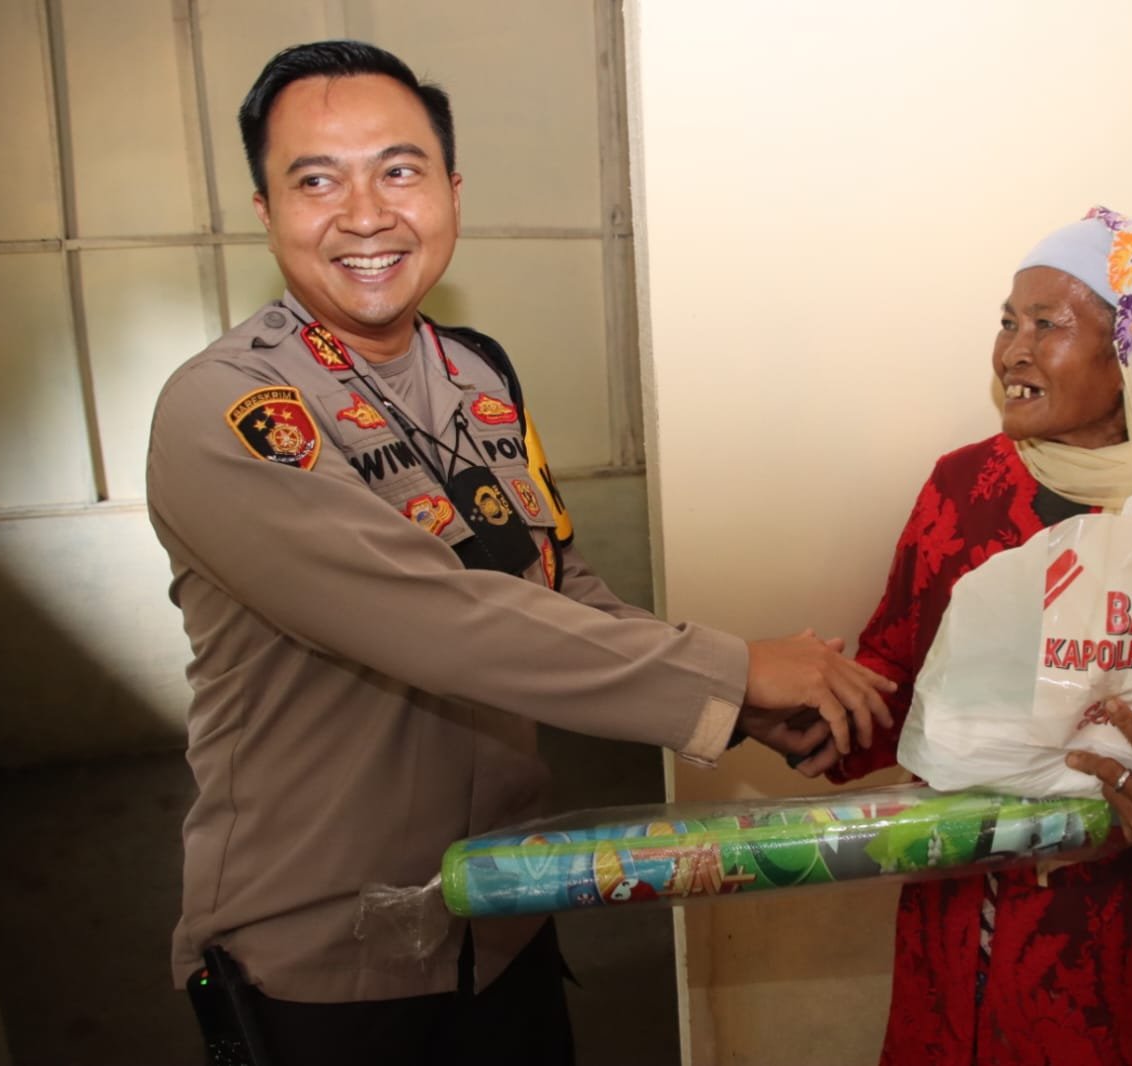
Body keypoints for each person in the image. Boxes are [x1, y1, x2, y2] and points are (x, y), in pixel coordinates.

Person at [146, 40, 893, 1065]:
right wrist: (729, 669)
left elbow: (554, 584)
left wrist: (733, 709)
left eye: (398, 170)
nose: (364, 214)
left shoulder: (476, 375)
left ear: (450, 192)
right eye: (316, 181)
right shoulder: (223, 409)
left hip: (502, 914)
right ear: (265, 211)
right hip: (321, 958)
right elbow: (432, 617)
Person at [820, 207, 1132, 1065]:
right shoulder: (964, 488)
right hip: (955, 928)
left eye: (1047, 325)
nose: (1013, 352)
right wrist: (810, 707)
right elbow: (900, 666)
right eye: (1007, 322)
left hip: (1122, 961)